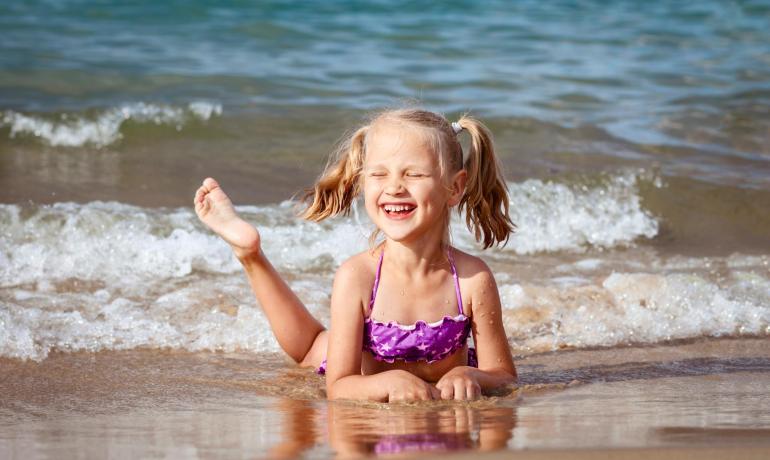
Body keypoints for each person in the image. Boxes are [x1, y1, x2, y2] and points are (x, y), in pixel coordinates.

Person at [194, 108, 518, 402]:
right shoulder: (358, 276)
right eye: (379, 175)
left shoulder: (473, 279)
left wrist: (468, 374)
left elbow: (503, 376)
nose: (394, 187)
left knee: (317, 341)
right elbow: (340, 385)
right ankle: (250, 254)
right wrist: (387, 383)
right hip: (359, 371)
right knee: (310, 348)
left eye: (414, 174)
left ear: (455, 188)